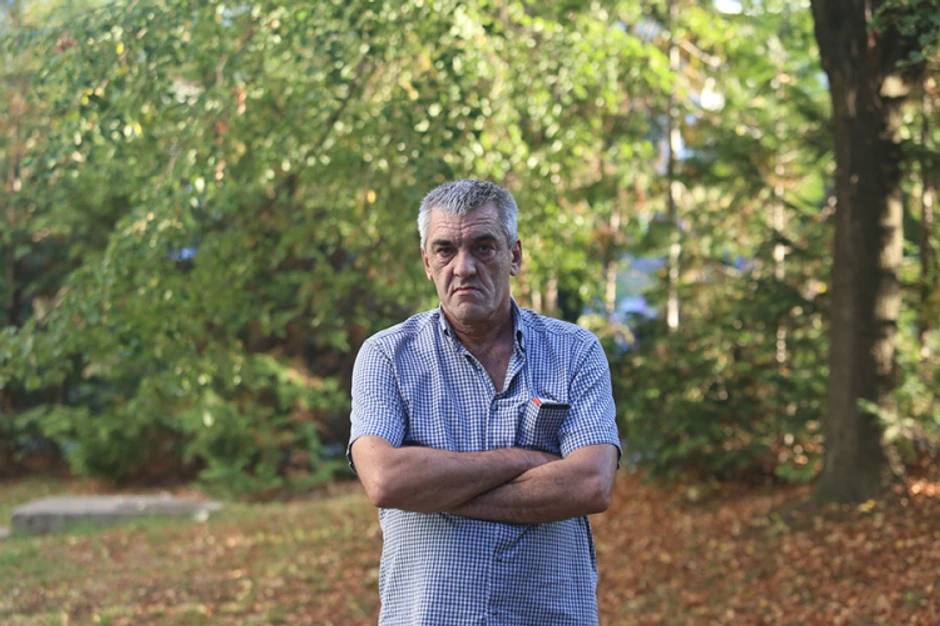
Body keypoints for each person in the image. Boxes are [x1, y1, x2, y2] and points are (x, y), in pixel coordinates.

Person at [348, 179, 621, 625]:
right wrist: (522, 460)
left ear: (514, 256)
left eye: (483, 247)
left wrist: (435, 492)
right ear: (427, 263)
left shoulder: (575, 352)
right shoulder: (387, 357)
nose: (464, 267)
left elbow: (590, 483)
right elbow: (384, 481)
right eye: (445, 250)